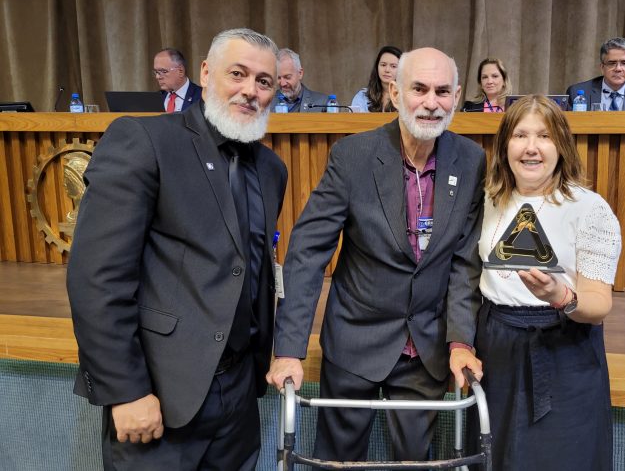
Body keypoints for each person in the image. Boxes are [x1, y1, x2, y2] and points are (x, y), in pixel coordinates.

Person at [68, 28, 288, 469]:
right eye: (238, 74)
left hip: (239, 399)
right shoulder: (145, 140)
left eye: (264, 81)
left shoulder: (271, 169)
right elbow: (97, 277)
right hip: (158, 397)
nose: (251, 90)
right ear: (205, 73)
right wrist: (125, 390)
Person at [267, 47, 485, 463]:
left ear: (456, 97)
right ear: (395, 92)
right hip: (355, 339)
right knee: (338, 462)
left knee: (416, 463)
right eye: (419, 89)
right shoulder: (354, 156)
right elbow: (308, 252)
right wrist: (289, 350)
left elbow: (465, 262)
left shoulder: (471, 161)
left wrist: (461, 341)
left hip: (427, 346)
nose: (431, 102)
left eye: (442, 91)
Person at [473, 94, 622, 470]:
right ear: (504, 145)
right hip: (496, 347)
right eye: (520, 135)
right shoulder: (487, 201)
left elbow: (598, 304)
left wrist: (561, 296)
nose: (531, 147)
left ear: (562, 146)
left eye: (544, 136)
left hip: (563, 348)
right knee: (496, 456)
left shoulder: (589, 209)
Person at [566, 37, 625, 111]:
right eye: (611, 63)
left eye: (624, 63)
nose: (618, 69)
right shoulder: (576, 92)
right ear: (602, 67)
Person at [350, 45, 403, 112]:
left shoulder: (408, 98)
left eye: (393, 66)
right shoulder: (362, 97)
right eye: (383, 65)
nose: (387, 70)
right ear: (377, 67)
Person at [276, 48, 329, 112]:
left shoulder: (323, 103)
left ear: (300, 73)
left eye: (287, 77)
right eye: (278, 78)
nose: (282, 83)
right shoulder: (267, 102)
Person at [153, 48, 201, 112]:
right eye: (156, 72)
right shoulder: (156, 98)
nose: (157, 77)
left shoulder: (202, 97)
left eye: (163, 71)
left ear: (180, 71)